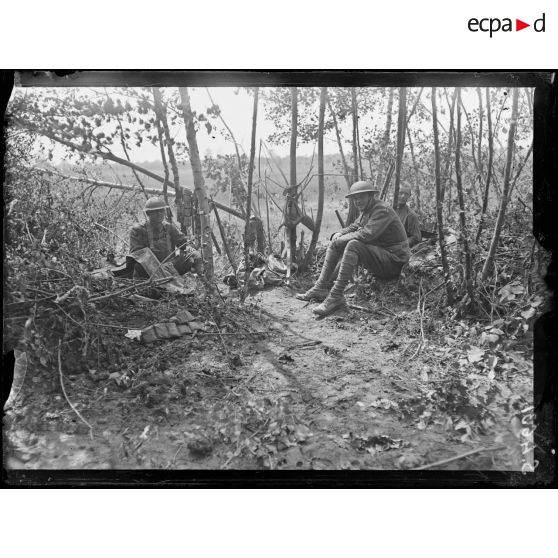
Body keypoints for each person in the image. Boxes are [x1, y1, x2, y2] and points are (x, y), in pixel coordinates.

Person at [296, 181, 411, 317]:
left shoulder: (381, 210)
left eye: (361, 197)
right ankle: (320, 287)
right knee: (336, 243)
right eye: (355, 198)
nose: (357, 201)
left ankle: (335, 296)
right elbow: (354, 227)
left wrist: (342, 239)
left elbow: (366, 234)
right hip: (383, 257)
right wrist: (339, 234)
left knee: (353, 245)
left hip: (395, 261)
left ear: (370, 196)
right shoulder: (367, 210)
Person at [129, 197, 207, 282]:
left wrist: (189, 247)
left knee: (194, 255)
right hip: (148, 269)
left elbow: (183, 244)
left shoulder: (169, 227)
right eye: (155, 211)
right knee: (138, 265)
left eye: (161, 211)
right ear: (148, 213)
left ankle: (204, 281)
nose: (159, 214)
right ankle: (163, 279)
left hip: (169, 266)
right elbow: (137, 254)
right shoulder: (138, 230)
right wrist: (157, 268)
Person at [395, 183, 422, 248]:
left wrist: (399, 245)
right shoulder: (388, 208)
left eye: (406, 194)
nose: (403, 196)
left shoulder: (411, 215)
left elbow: (416, 238)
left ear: (409, 196)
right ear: (395, 193)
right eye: (400, 193)